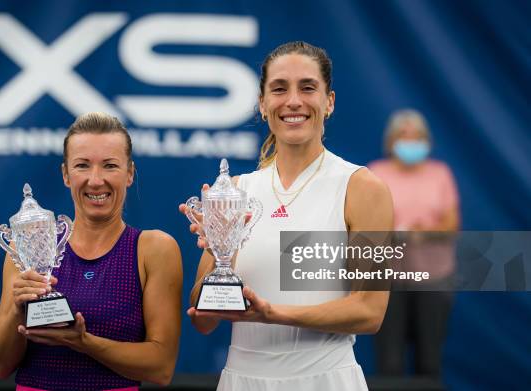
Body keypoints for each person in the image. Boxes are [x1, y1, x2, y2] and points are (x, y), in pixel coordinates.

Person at [180, 41, 393, 390]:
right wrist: (223, 253)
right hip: (241, 381)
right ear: (263, 105)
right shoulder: (233, 192)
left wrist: (273, 314)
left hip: (327, 380)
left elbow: (370, 311)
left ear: (330, 102)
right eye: (279, 89)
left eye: (308, 87)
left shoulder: (364, 188)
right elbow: (203, 321)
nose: (293, 101)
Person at [0, 112, 183, 391]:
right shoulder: (27, 249)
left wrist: (83, 342)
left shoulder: (153, 249)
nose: (95, 180)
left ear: (129, 174)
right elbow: (1, 365)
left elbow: (161, 367)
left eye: (109, 166)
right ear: (66, 175)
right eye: (82, 165)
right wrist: (17, 313)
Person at [369, 109, 459, 377]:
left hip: (434, 276)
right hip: (387, 277)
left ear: (427, 141)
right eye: (403, 135)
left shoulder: (440, 174)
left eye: (416, 136)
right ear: (391, 141)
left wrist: (425, 231)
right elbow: (363, 222)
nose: (410, 141)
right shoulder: (375, 172)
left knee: (429, 361)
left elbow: (451, 224)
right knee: (389, 362)